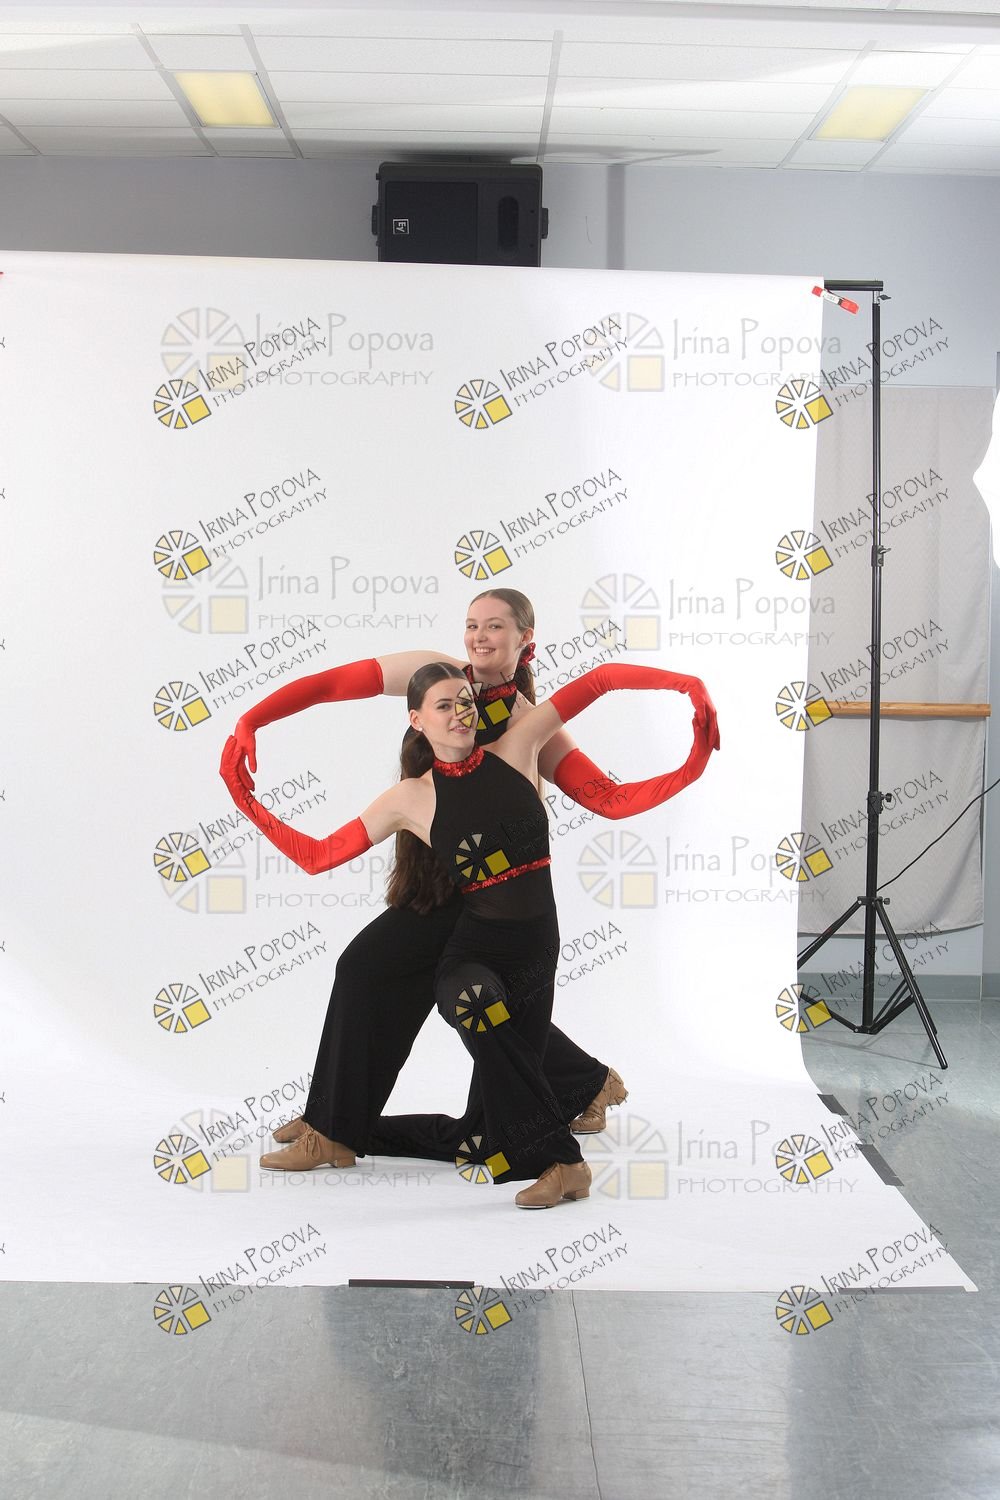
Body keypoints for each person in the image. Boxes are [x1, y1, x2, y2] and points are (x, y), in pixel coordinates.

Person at [227, 590, 718, 1158]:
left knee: (444, 991)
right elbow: (337, 683)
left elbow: (606, 797)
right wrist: (253, 719)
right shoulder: (435, 675)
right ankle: (338, 1119)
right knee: (373, 969)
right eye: (472, 625)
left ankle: (335, 1124)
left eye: (495, 627)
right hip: (435, 877)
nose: (480, 637)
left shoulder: (528, 725)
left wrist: (692, 761)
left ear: (525, 641)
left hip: (494, 891)